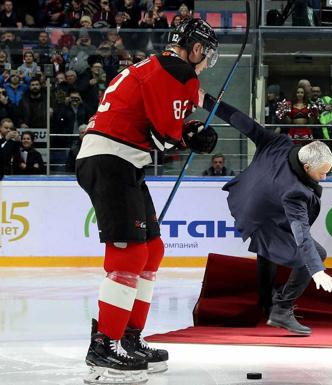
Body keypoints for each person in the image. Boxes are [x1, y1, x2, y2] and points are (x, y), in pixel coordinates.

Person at [75, 18, 219, 385]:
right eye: (207, 56)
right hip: (111, 160)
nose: (205, 64)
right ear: (197, 49)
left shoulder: (158, 67)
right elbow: (164, 140)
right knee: (129, 254)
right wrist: (192, 137)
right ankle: (104, 345)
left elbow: (157, 127)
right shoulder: (178, 73)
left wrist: (188, 132)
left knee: (151, 249)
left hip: (121, 160)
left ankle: (128, 337)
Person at [202, 94, 332, 336]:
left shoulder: (279, 143)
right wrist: (317, 269)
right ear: (307, 167)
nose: (325, 178)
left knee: (267, 255)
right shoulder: (295, 191)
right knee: (317, 253)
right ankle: (282, 309)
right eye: (323, 173)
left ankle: (266, 305)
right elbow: (302, 235)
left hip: (252, 202)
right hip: (263, 217)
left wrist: (207, 102)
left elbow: (244, 123)